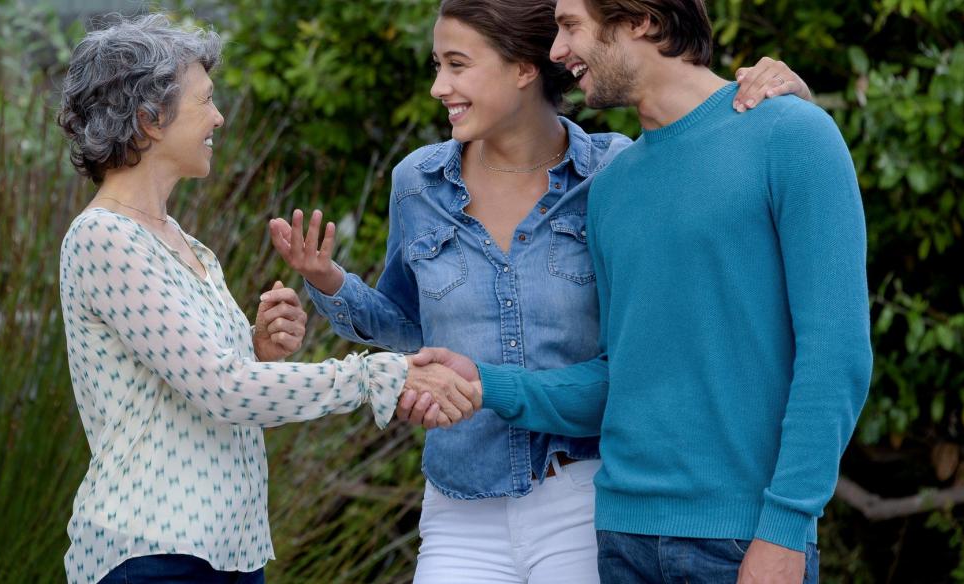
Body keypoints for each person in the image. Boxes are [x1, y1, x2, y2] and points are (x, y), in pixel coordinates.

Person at [267, 1, 811, 582]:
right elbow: (410, 327)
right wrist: (330, 283)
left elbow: (654, 335)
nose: (438, 87)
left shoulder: (614, 173)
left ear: (524, 69)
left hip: (582, 490)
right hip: (460, 492)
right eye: (436, 65)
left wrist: (782, 98)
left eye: (456, 65)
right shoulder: (416, 185)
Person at [410, 0, 873, 583]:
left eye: (570, 26)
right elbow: (619, 378)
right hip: (620, 538)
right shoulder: (613, 189)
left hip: (739, 542)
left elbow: (836, 355)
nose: (555, 51)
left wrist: (786, 526)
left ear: (641, 20)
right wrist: (487, 384)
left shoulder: (792, 135)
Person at [56, 14, 476, 584]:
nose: (218, 117)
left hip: (225, 550)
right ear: (149, 119)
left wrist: (258, 350)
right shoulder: (104, 237)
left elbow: (213, 386)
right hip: (152, 554)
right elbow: (224, 391)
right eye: (204, 101)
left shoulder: (188, 245)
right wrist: (381, 376)